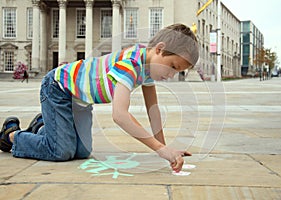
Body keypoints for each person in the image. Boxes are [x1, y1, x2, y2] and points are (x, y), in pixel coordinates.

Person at [0, 23, 199, 173]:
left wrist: (164, 149)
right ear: (159, 49)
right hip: (58, 88)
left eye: (178, 71)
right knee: (61, 152)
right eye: (172, 66)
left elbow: (152, 110)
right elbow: (120, 115)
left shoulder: (147, 66)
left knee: (81, 152)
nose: (172, 74)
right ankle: (11, 136)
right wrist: (159, 149)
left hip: (80, 101)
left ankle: (44, 126)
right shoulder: (130, 64)